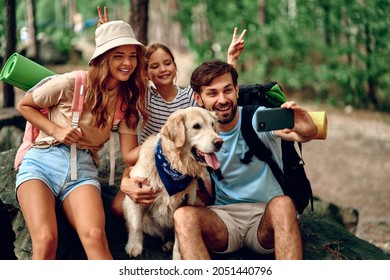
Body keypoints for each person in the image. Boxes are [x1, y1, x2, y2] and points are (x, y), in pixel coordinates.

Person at [95, 6, 248, 216]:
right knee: (118, 208)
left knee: (203, 201)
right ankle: (151, 230)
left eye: (167, 63)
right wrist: (108, 42)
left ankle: (183, 229)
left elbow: (218, 95)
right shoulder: (143, 97)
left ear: (175, 67)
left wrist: (232, 61)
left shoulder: (188, 97)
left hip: (185, 159)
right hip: (153, 161)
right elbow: (122, 80)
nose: (163, 69)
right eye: (154, 66)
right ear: (146, 73)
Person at [15, 20, 147, 260]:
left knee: (95, 236)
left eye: (132, 56)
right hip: (41, 163)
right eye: (118, 56)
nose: (127, 63)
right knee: (45, 240)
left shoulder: (126, 102)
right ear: (103, 57)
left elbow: (130, 155)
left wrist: (162, 142)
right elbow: (24, 105)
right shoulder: (72, 82)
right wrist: (56, 130)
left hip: (83, 171)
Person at [172, 59, 318, 260]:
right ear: (198, 97)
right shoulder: (194, 133)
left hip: (265, 218)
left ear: (237, 91)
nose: (222, 99)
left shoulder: (258, 118)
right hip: (224, 219)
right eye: (212, 93)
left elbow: (300, 133)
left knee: (284, 204)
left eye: (227, 90)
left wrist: (306, 126)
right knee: (182, 216)